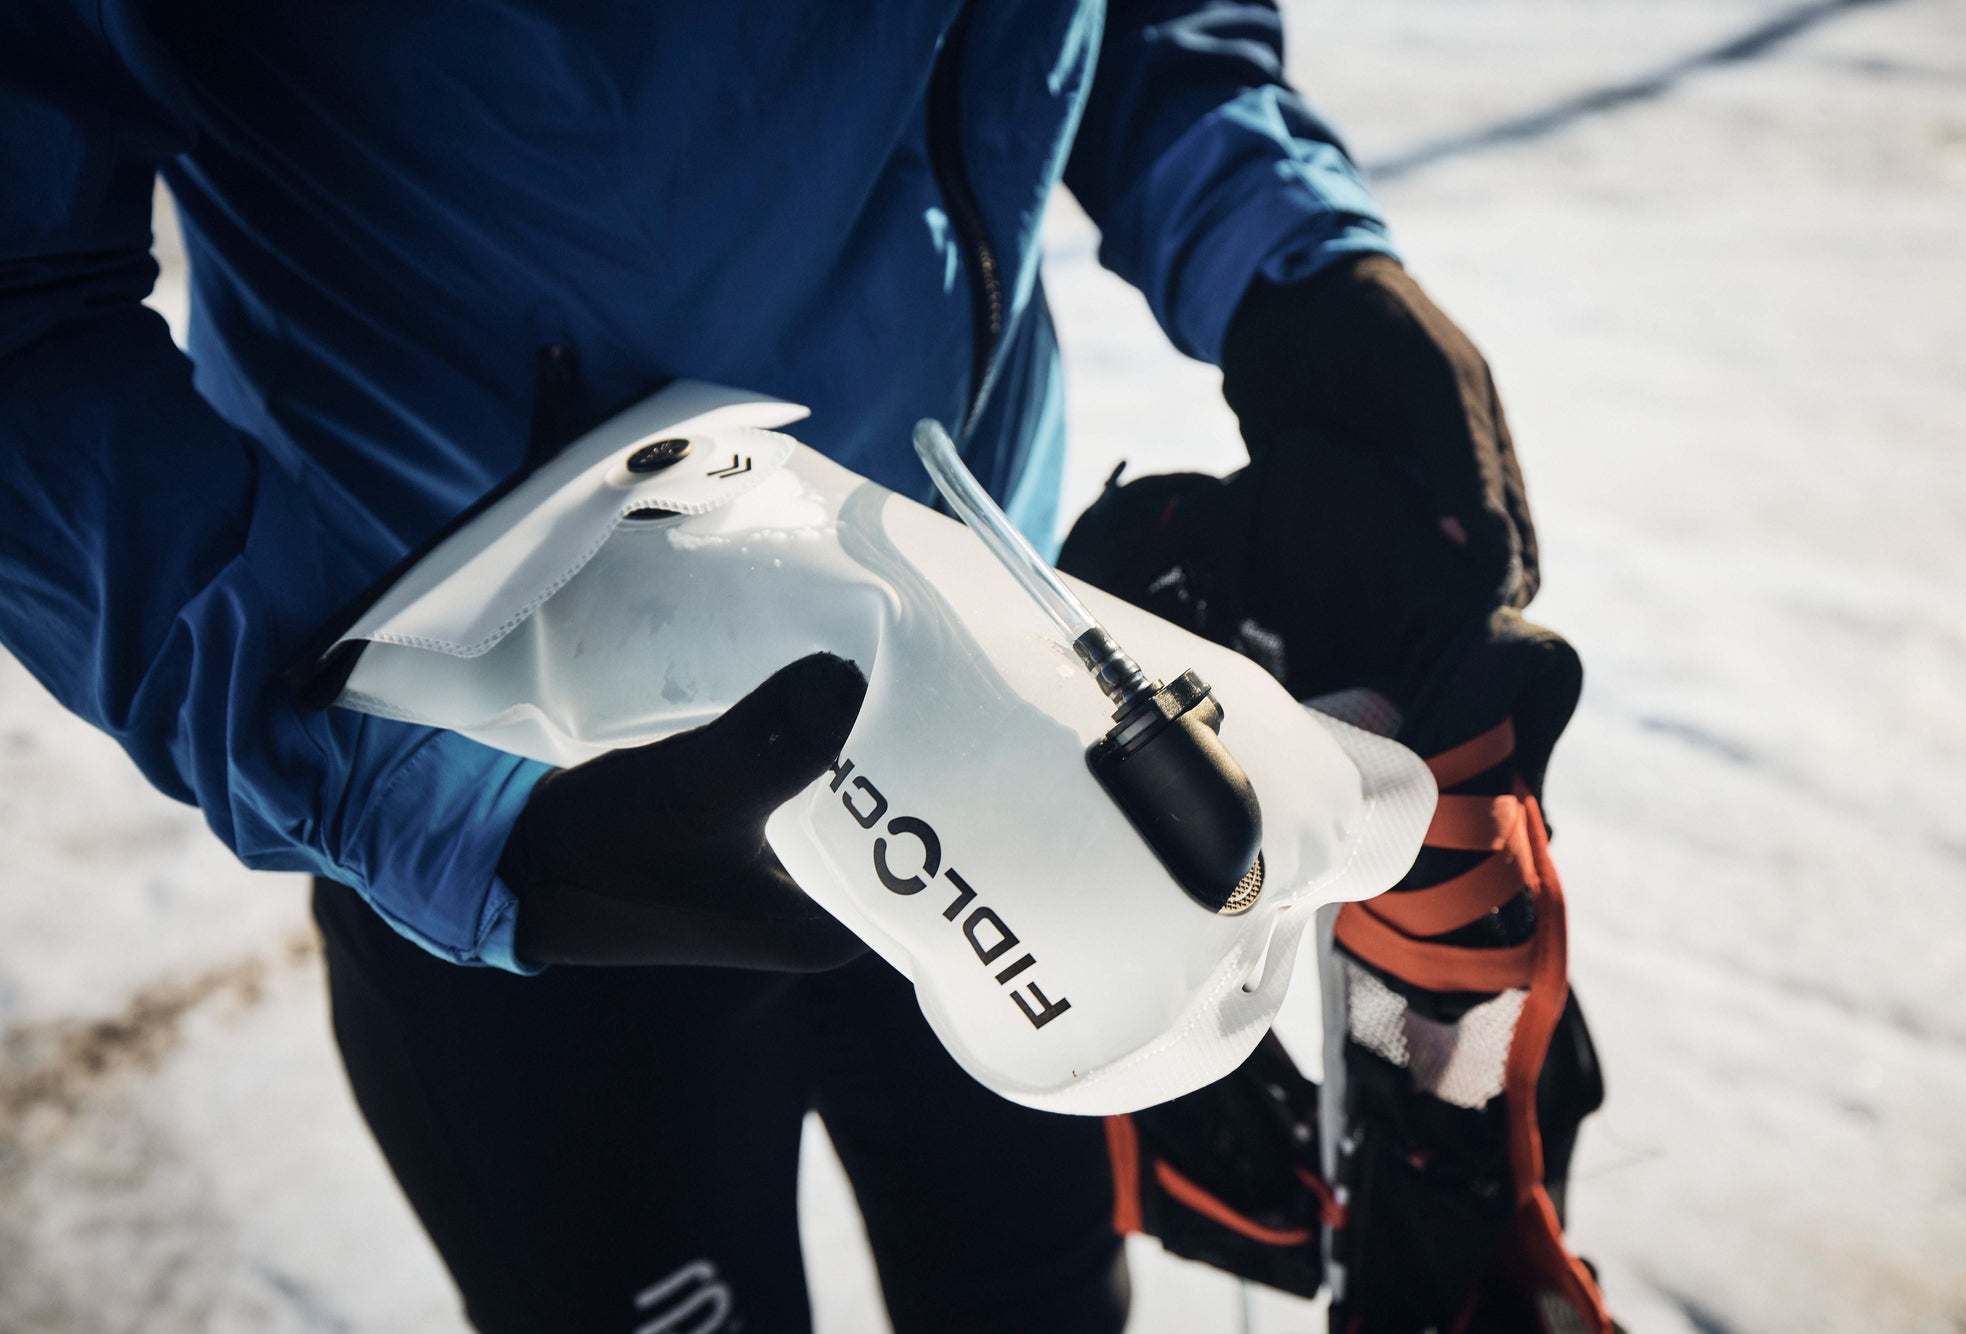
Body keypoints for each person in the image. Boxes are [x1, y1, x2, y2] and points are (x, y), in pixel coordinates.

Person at [1, 3, 1541, 1330]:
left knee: (1041, 1299)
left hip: (1013, 746)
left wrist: (1281, 247)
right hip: (537, 802)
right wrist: (418, 797)